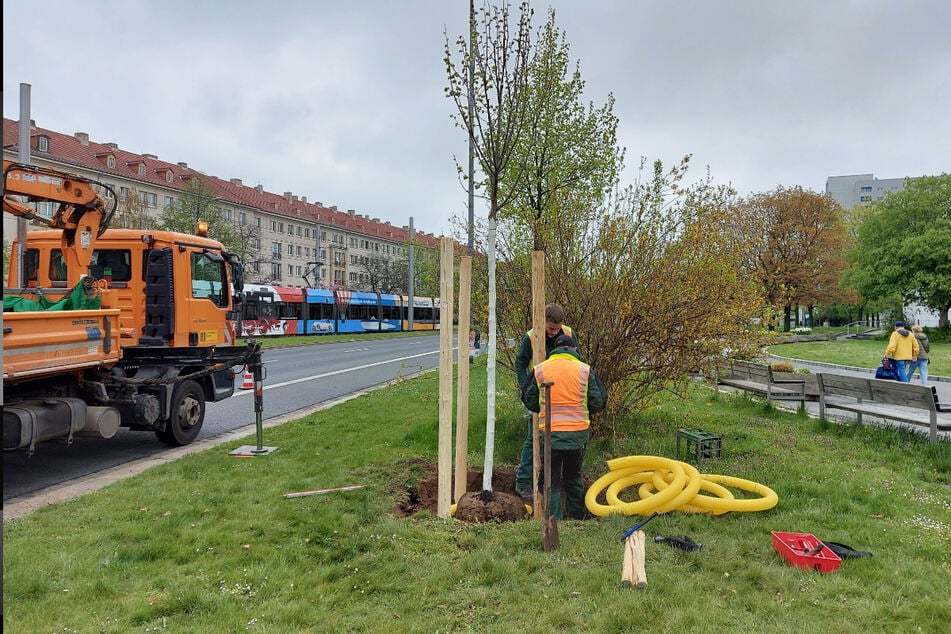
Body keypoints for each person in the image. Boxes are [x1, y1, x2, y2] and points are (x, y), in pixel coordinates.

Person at [521, 333, 606, 520]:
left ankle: (555, 519)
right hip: (577, 435)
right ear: (574, 350)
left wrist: (541, 407)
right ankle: (577, 514)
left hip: (551, 434)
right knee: (573, 473)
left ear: (555, 351)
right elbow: (599, 401)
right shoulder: (585, 370)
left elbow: (528, 398)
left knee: (550, 478)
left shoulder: (540, 369)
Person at [513, 303, 579, 501]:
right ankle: (524, 483)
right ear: (543, 322)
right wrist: (527, 391)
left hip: (563, 394)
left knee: (560, 438)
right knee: (533, 437)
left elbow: (577, 361)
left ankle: (557, 482)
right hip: (540, 393)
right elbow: (520, 363)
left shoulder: (568, 333)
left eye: (557, 328)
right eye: (551, 328)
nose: (554, 332)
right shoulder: (531, 337)